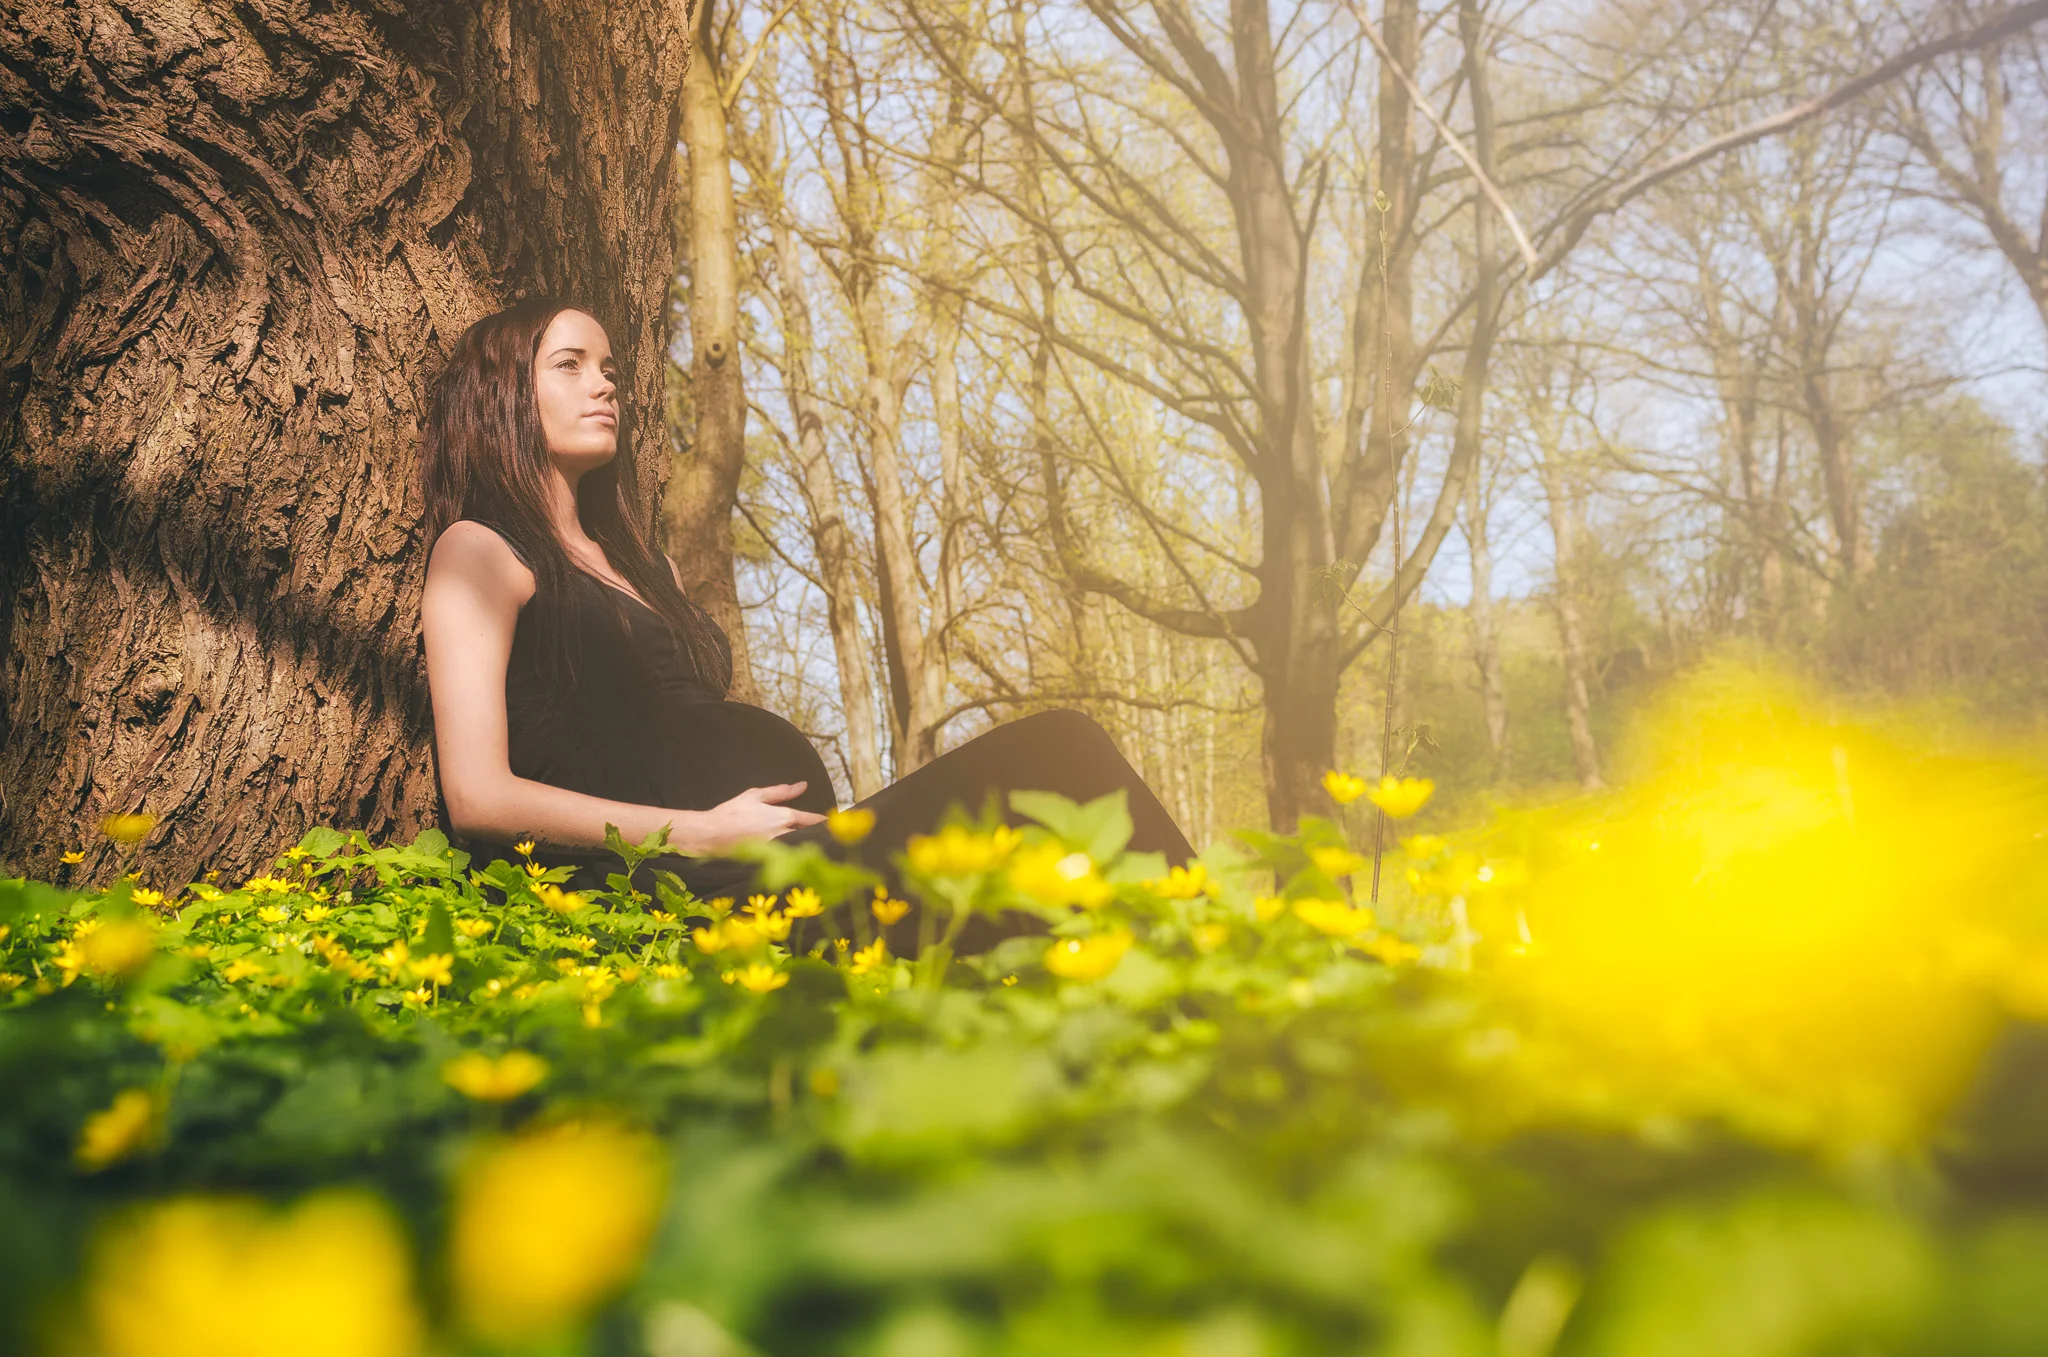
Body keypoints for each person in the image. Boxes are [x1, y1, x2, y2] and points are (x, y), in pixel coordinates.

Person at [417, 297, 1194, 928]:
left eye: (610, 367)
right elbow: (480, 795)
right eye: (571, 365)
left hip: (786, 862)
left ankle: (1209, 1009)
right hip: (675, 890)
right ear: (505, 396)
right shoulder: (481, 550)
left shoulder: (646, 566)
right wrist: (696, 830)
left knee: (1057, 782)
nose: (606, 384)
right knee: (1059, 758)